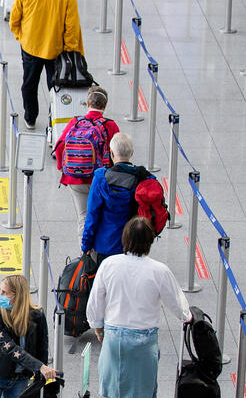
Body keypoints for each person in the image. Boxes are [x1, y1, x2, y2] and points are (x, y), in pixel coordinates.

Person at [87, 217, 191, 398]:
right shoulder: (159, 270)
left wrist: (97, 326)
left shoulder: (109, 265)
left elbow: (95, 301)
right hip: (144, 341)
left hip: (114, 338)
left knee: (111, 390)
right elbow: (177, 304)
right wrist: (187, 317)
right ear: (150, 240)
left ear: (125, 238)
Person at [10, 0, 84, 130]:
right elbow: (71, 26)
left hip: (30, 47)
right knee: (56, 88)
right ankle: (54, 121)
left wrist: (20, 35)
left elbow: (14, 18)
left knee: (29, 83)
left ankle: (30, 117)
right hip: (57, 50)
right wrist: (70, 49)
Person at [53, 86, 119, 239]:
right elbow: (117, 154)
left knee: (83, 217)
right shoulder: (110, 125)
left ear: (87, 104)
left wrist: (63, 168)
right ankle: (99, 253)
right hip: (100, 178)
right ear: (105, 105)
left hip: (75, 178)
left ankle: (85, 257)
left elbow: (59, 147)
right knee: (101, 217)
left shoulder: (75, 122)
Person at [0, 275, 54, 398]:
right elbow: (9, 347)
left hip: (21, 378)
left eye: (4, 292)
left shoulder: (37, 315)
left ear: (18, 296)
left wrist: (41, 372)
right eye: (0, 291)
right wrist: (40, 366)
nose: (0, 295)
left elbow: (42, 346)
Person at [82, 133, 139, 265]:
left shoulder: (101, 177)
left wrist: (86, 245)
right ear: (132, 153)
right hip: (132, 245)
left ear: (112, 153)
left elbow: (92, 214)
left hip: (105, 245)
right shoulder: (140, 178)